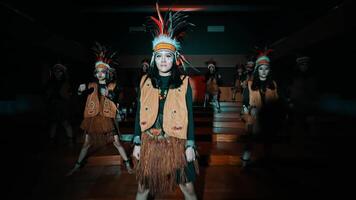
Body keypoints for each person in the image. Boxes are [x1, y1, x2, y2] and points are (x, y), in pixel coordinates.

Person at [132, 3, 198, 200]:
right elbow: (139, 113)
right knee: (143, 189)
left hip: (177, 141)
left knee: (188, 190)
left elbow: (189, 114)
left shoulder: (184, 82)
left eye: (168, 56)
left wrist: (190, 145)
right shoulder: (145, 81)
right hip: (149, 141)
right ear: (154, 59)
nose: (163, 60)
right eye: (159, 56)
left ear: (174, 58)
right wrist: (137, 142)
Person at [66, 43, 133, 176]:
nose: (100, 74)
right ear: (95, 73)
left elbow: (117, 99)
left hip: (107, 118)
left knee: (117, 142)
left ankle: (127, 163)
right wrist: (80, 91)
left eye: (103, 72)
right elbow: (81, 93)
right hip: (94, 118)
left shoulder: (112, 86)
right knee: (86, 143)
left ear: (107, 73)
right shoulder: (91, 84)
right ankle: (77, 166)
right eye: (98, 72)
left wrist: (111, 95)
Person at [240, 48, 279, 168]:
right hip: (253, 118)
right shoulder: (250, 85)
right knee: (250, 141)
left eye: (266, 69)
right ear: (257, 70)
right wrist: (250, 110)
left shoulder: (273, 85)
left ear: (269, 70)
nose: (263, 71)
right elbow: (245, 104)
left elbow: (277, 102)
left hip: (268, 118)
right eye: (261, 69)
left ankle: (267, 160)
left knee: (268, 141)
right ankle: (245, 163)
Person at [45, 63, 74, 145]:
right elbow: (47, 94)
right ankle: (51, 141)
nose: (57, 73)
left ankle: (70, 141)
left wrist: (67, 96)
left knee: (66, 122)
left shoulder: (66, 82)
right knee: (53, 123)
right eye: (56, 71)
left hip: (63, 105)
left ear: (62, 72)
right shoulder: (50, 82)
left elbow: (69, 94)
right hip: (54, 105)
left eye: (59, 71)